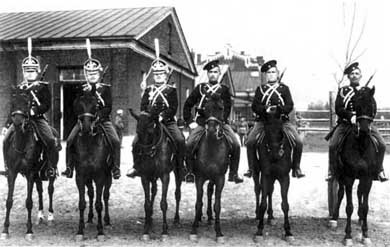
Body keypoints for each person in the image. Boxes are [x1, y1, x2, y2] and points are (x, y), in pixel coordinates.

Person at [61, 40, 121, 179]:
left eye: (94, 73)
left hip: (102, 120)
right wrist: (84, 97)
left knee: (115, 141)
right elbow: (75, 106)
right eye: (89, 73)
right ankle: (69, 167)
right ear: (86, 74)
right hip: (84, 121)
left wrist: (98, 116)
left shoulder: (105, 88)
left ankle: (115, 168)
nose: (92, 75)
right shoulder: (81, 88)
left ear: (99, 74)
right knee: (70, 141)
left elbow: (108, 107)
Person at [0, 38, 59, 178]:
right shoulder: (20, 87)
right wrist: (7, 123)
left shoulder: (43, 87)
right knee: (5, 140)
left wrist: (34, 110)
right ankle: (7, 166)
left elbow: (47, 105)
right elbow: (13, 108)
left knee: (50, 140)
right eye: (27, 71)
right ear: (23, 72)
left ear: (37, 72)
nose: (29, 73)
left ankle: (50, 167)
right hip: (20, 119)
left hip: (37, 119)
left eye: (32, 71)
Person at [183, 60, 244, 184]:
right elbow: (187, 105)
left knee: (236, 145)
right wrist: (190, 121)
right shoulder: (200, 88)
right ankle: (189, 172)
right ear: (207, 73)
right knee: (189, 144)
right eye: (210, 72)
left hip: (220, 123)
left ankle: (233, 173)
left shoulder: (224, 89)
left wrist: (222, 120)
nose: (213, 74)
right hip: (202, 123)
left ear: (219, 73)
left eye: (215, 72)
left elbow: (227, 107)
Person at [326, 62, 387, 182]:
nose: (354, 75)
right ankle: (332, 171)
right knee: (333, 145)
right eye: (351, 74)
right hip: (345, 124)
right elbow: (338, 108)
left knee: (382, 144)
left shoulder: (366, 91)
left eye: (356, 73)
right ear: (348, 77)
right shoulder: (343, 91)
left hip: (364, 123)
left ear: (360, 76)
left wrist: (368, 119)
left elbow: (373, 107)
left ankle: (379, 169)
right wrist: (350, 116)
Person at [126, 58, 186, 179]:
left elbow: (173, 107)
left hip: (167, 122)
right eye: (156, 74)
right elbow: (143, 107)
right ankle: (136, 166)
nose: (158, 76)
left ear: (165, 75)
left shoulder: (171, 90)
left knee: (180, 140)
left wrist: (162, 116)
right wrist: (149, 117)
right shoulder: (148, 90)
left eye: (161, 73)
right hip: (150, 123)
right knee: (135, 142)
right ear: (153, 75)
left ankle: (180, 167)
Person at [244, 60, 305, 178]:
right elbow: (255, 106)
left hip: (282, 121)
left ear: (277, 74)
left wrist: (278, 109)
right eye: (269, 72)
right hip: (263, 122)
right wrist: (265, 109)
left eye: (273, 72)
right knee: (250, 141)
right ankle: (251, 168)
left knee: (298, 142)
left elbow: (289, 105)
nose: (271, 74)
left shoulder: (284, 89)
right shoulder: (260, 89)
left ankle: (296, 167)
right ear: (266, 75)